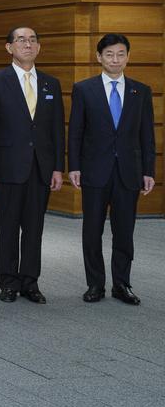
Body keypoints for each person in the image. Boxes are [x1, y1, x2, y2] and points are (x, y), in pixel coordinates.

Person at [69, 33, 156, 305]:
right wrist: (74, 166)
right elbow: (76, 132)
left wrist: (148, 171)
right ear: (99, 57)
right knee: (92, 230)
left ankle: (122, 284)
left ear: (128, 56)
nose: (115, 59)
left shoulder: (140, 91)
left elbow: (147, 135)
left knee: (124, 231)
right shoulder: (84, 89)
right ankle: (95, 284)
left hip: (128, 173)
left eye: (120, 54)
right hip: (95, 171)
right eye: (109, 54)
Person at [0, 27, 64, 304]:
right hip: (8, 169)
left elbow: (56, 130)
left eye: (32, 41)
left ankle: (30, 282)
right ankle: (8, 282)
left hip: (41, 169)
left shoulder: (50, 84)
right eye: (21, 40)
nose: (27, 45)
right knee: (7, 228)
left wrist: (57, 167)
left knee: (34, 228)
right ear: (9, 47)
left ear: (39, 48)